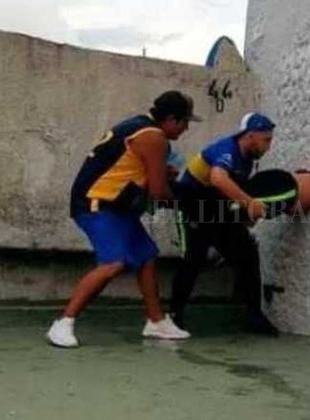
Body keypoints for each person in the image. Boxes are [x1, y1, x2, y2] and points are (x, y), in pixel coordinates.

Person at [46, 91, 200, 347]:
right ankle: (63, 323)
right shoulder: (154, 137)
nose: (186, 129)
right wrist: (189, 204)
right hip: (98, 203)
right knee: (113, 263)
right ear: (172, 119)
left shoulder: (138, 126)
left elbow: (131, 168)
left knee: (145, 256)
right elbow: (158, 192)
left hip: (116, 205)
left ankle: (156, 321)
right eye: (185, 122)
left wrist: (161, 174)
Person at [170, 112, 279, 336]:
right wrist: (250, 204)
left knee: (247, 253)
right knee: (193, 259)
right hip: (194, 205)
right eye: (266, 140)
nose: (268, 146)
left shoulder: (248, 159)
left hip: (217, 208)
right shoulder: (227, 149)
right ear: (250, 135)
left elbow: (230, 192)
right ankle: (174, 315)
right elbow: (218, 179)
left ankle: (254, 315)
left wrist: (245, 216)